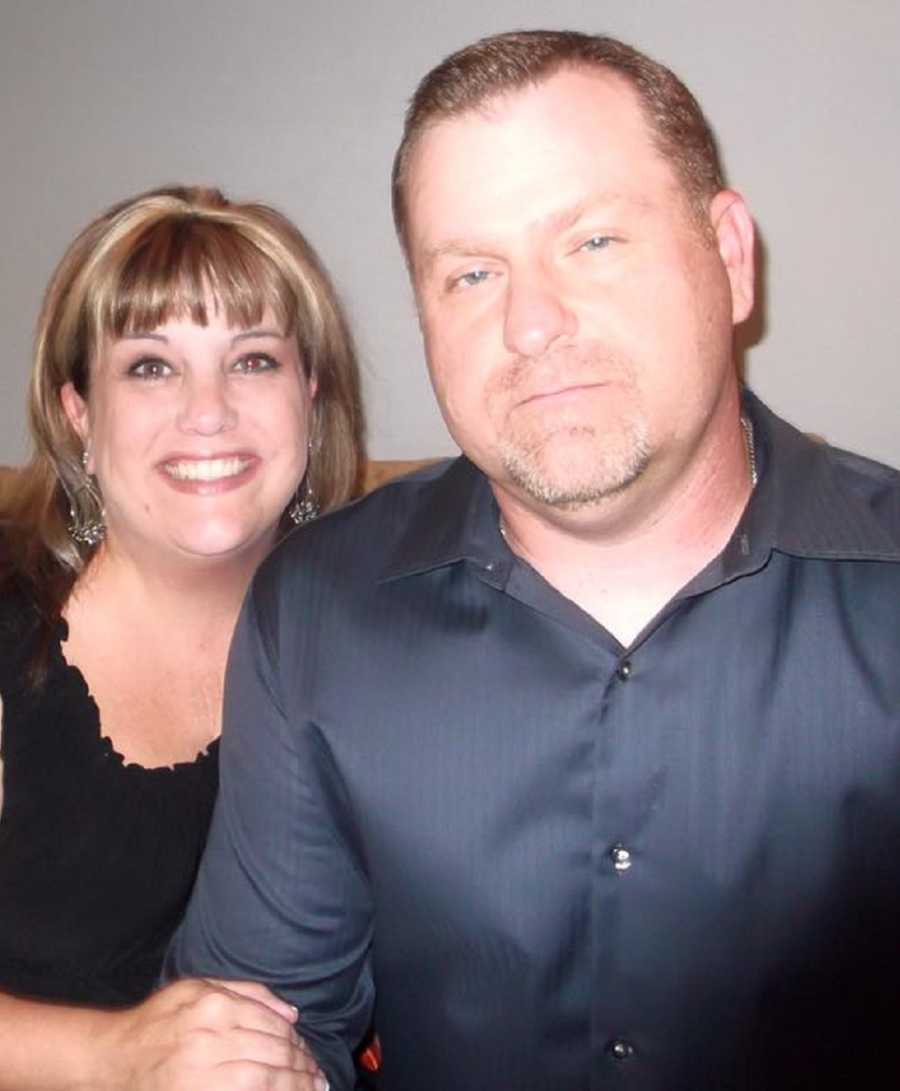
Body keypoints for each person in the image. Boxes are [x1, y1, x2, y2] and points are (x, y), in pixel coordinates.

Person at [167, 30, 900, 1091]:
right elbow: (267, 1033)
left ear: (730, 257)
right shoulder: (319, 610)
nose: (531, 323)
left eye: (593, 242)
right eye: (471, 272)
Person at [0, 184, 364, 1090]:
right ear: (79, 411)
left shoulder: (380, 634)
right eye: (151, 367)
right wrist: (113, 1057)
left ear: (310, 399)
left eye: (253, 360)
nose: (209, 412)